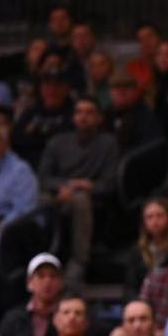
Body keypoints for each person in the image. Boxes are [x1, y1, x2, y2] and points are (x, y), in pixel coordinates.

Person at [36, 97, 119, 283]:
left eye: (89, 113)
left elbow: (110, 183)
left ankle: (79, 261)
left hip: (91, 200)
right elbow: (43, 177)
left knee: (80, 199)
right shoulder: (58, 142)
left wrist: (89, 186)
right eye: (79, 112)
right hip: (58, 194)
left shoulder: (108, 143)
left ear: (99, 118)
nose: (83, 117)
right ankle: (39, 257)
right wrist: (64, 186)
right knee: (37, 200)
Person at [0, 253, 64, 336]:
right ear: (29, 283)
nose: (47, 281)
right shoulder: (13, 318)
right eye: (41, 276)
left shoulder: (68, 318)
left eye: (53, 276)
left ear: (60, 283)